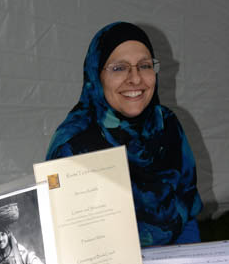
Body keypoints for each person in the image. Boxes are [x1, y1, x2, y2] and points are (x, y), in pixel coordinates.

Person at [46, 22, 203, 247]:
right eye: (119, 68)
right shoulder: (73, 145)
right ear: (95, 75)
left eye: (145, 65)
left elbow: (187, 212)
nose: (136, 78)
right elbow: (69, 244)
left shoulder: (165, 125)